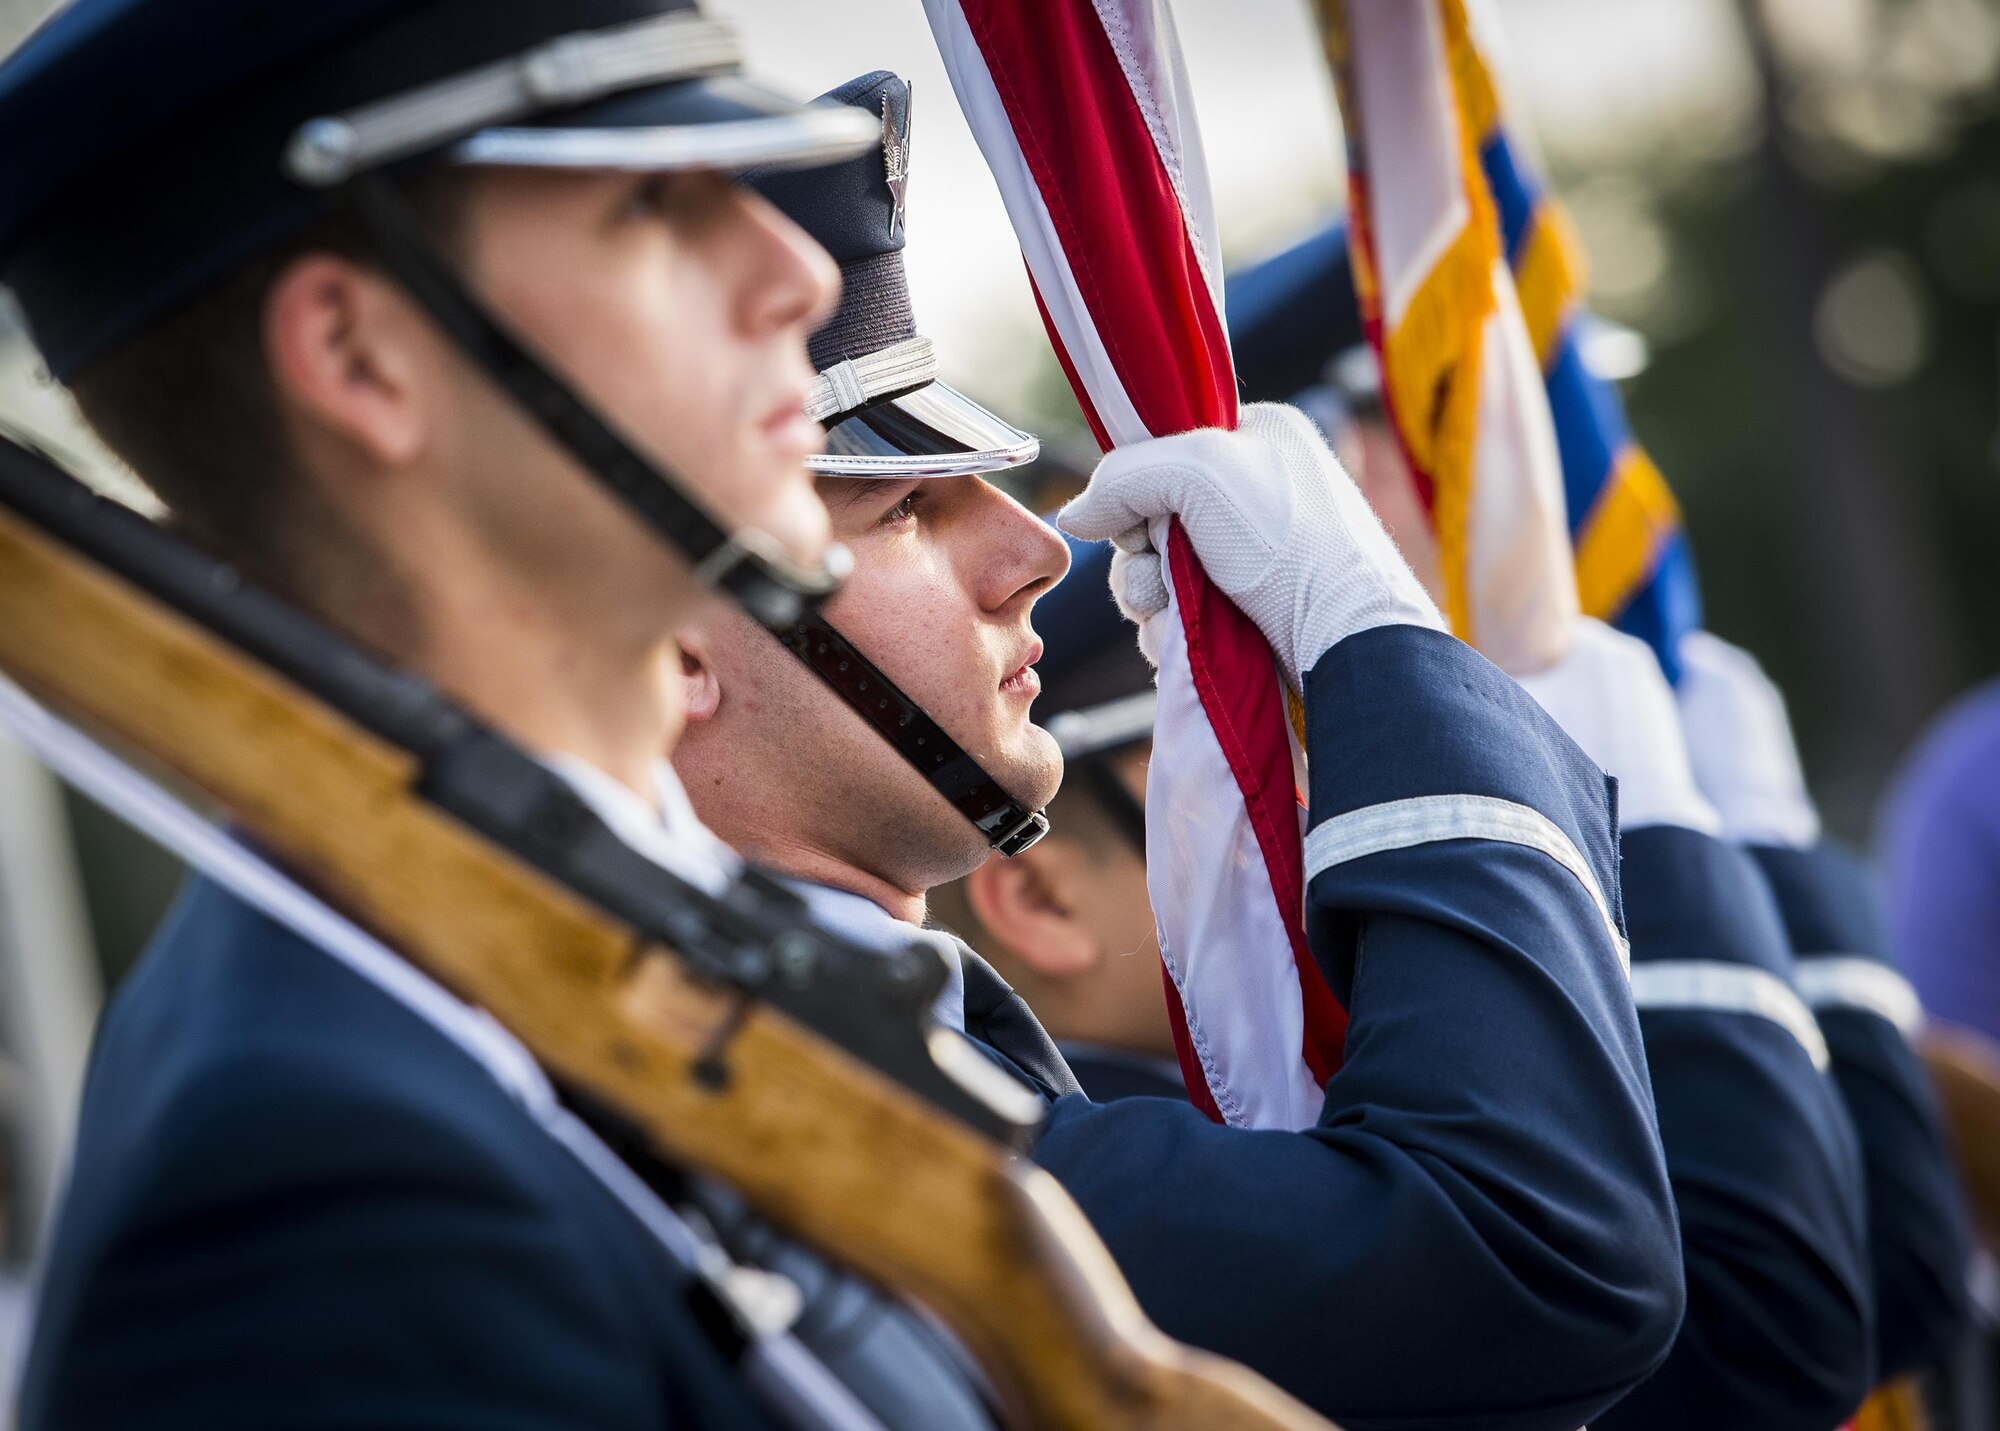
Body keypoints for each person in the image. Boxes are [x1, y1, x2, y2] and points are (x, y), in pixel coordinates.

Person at [0, 4, 1024, 1427]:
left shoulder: (634, 957)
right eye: (657, 204)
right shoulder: (326, 1188)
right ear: (361, 358)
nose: (791, 272)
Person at [675, 72, 1684, 1430]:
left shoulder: (832, 1041)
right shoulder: (761, 1086)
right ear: (675, 644)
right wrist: (1385, 650)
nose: (1036, 551)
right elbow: (1531, 1252)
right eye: (908, 509)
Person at [1229, 218, 1971, 1419]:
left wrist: (1756, 842)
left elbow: (1902, 1278)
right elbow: (1763, 1343)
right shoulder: (1315, 834)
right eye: (1503, 450)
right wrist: (1668, 834)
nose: (1580, 499)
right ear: (1340, 473)